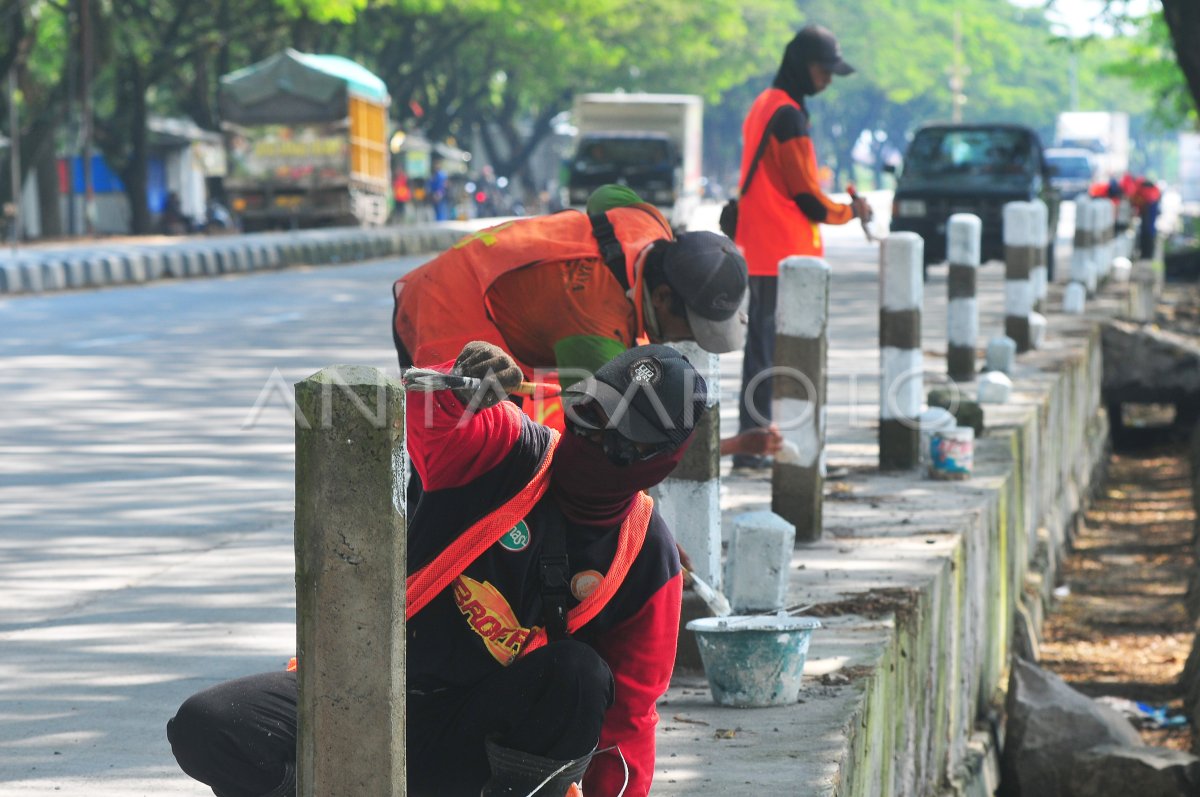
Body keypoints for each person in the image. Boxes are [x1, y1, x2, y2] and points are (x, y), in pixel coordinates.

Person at [167, 341, 707, 797]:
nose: (593, 443)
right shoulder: (508, 448)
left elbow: (630, 721)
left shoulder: (647, 560)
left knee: (579, 676)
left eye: (620, 443)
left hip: (478, 749)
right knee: (209, 726)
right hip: (372, 693)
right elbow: (430, 422)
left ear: (660, 461)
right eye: (590, 418)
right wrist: (459, 385)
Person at [392, 187, 780, 459]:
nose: (688, 339)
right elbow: (605, 448)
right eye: (691, 328)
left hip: (485, 264)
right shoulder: (595, 334)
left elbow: (605, 196)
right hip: (446, 309)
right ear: (661, 297)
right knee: (468, 460)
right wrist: (646, 533)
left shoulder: (647, 222)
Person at [732, 24, 872, 470]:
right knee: (783, 356)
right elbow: (808, 197)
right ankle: (770, 450)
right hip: (785, 253)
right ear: (802, 65)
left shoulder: (764, 105)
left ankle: (761, 447)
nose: (828, 79)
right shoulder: (789, 115)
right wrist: (851, 211)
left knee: (764, 354)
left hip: (763, 247)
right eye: (823, 69)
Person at [1129, 175, 1161, 259]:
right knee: (1146, 229)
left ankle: (1147, 254)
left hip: (1150, 205)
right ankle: (1146, 253)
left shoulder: (1137, 186)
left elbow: (1137, 200)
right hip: (1149, 205)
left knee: (1148, 229)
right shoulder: (1139, 185)